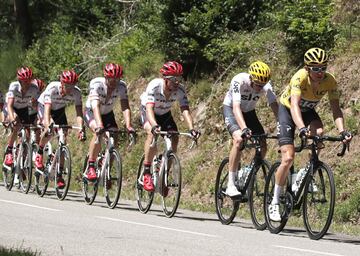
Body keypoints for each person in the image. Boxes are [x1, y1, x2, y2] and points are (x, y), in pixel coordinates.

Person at [269, 47, 353, 221]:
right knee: (288, 158)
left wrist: (342, 131)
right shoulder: (299, 77)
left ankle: (305, 173)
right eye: (316, 68)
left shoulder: (330, 81)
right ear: (307, 68)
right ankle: (275, 202)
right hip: (288, 111)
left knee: (319, 133)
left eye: (323, 67)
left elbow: (336, 109)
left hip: (307, 112)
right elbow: (294, 106)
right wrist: (301, 128)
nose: (320, 72)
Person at [140, 61, 201, 192]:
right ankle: (146, 172)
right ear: (165, 78)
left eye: (179, 78)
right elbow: (149, 109)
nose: (176, 82)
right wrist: (155, 125)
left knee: (175, 137)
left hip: (165, 114)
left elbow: (185, 110)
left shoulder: (180, 90)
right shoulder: (154, 86)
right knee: (152, 134)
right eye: (173, 79)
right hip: (149, 112)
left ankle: (164, 175)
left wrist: (191, 128)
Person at [223, 61, 278, 197]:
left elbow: (275, 106)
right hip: (231, 109)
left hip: (249, 112)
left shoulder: (266, 85)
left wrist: (281, 124)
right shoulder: (239, 80)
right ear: (251, 78)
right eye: (258, 84)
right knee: (238, 140)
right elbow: (236, 107)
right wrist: (244, 129)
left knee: (263, 144)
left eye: (262, 85)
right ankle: (230, 184)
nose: (260, 88)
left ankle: (247, 171)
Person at [83, 63, 135, 181]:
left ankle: (107, 172)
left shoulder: (121, 86)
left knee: (114, 140)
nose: (114, 82)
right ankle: (91, 165)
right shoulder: (97, 83)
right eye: (112, 79)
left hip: (107, 113)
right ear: (106, 77)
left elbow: (125, 106)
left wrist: (128, 125)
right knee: (98, 132)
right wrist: (100, 125)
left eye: (117, 79)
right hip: (92, 112)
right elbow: (95, 106)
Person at [35, 70, 85, 188]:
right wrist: (48, 125)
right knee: (49, 131)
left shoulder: (77, 93)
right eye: (67, 86)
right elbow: (47, 110)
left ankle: (59, 174)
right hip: (45, 107)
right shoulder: (52, 88)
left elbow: (79, 113)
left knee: (63, 139)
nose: (70, 89)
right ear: (62, 83)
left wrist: (81, 129)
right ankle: (40, 152)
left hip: (59, 111)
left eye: (72, 86)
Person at [2, 67, 40, 170]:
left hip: (23, 109)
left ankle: (21, 155)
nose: (27, 83)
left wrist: (39, 117)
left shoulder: (34, 89)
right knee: (17, 123)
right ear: (20, 80)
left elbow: (38, 106)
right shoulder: (14, 86)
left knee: (27, 134)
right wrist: (12, 119)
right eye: (24, 81)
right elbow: (9, 105)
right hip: (12, 108)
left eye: (29, 80)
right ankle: (9, 151)